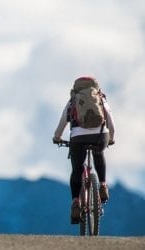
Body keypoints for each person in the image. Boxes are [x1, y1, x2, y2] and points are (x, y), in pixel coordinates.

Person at [53, 76, 115, 224]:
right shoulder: (100, 98)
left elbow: (62, 123)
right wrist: (111, 138)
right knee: (99, 153)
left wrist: (57, 137)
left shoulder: (73, 100)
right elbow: (110, 120)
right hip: (100, 135)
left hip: (78, 138)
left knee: (77, 169)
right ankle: (102, 185)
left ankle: (76, 201)